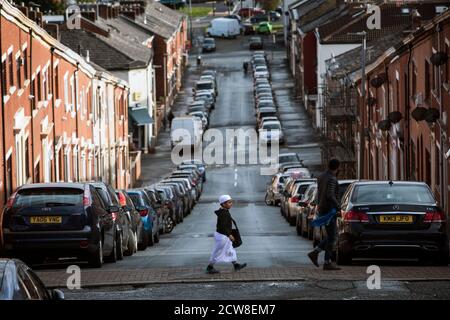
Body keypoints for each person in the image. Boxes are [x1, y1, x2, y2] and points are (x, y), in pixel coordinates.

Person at [307, 159, 342, 271]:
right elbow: (330, 195)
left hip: (322, 208)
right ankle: (326, 261)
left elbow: (320, 193)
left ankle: (316, 253)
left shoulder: (321, 177)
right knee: (332, 237)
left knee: (331, 236)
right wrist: (338, 207)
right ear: (337, 167)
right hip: (329, 210)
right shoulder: (332, 178)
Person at [206, 195, 247, 274]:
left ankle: (236, 265)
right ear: (223, 204)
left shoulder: (224, 211)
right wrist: (229, 235)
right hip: (222, 236)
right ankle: (210, 267)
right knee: (217, 251)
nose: (231, 204)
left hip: (224, 235)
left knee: (230, 250)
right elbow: (223, 226)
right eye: (229, 202)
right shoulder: (223, 214)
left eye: (231, 202)